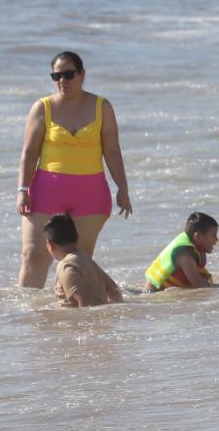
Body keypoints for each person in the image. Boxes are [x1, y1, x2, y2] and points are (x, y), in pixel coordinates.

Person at [16, 52, 133, 289]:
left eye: (68, 74)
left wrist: (123, 188)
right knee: (34, 256)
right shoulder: (43, 107)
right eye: (56, 76)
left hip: (89, 195)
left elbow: (112, 152)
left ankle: (73, 316)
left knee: (78, 261)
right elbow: (29, 153)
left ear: (82, 74)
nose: (63, 81)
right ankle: (26, 320)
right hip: (46, 191)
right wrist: (22, 189)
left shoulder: (102, 107)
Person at [45, 214, 122, 308]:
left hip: (78, 320)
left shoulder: (65, 266)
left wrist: (86, 321)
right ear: (77, 238)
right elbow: (114, 289)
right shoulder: (88, 261)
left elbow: (84, 301)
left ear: (50, 245)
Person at [145, 212, 219, 291]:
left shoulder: (195, 247)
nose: (217, 239)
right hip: (153, 294)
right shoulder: (185, 256)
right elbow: (199, 287)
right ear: (197, 237)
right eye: (214, 235)